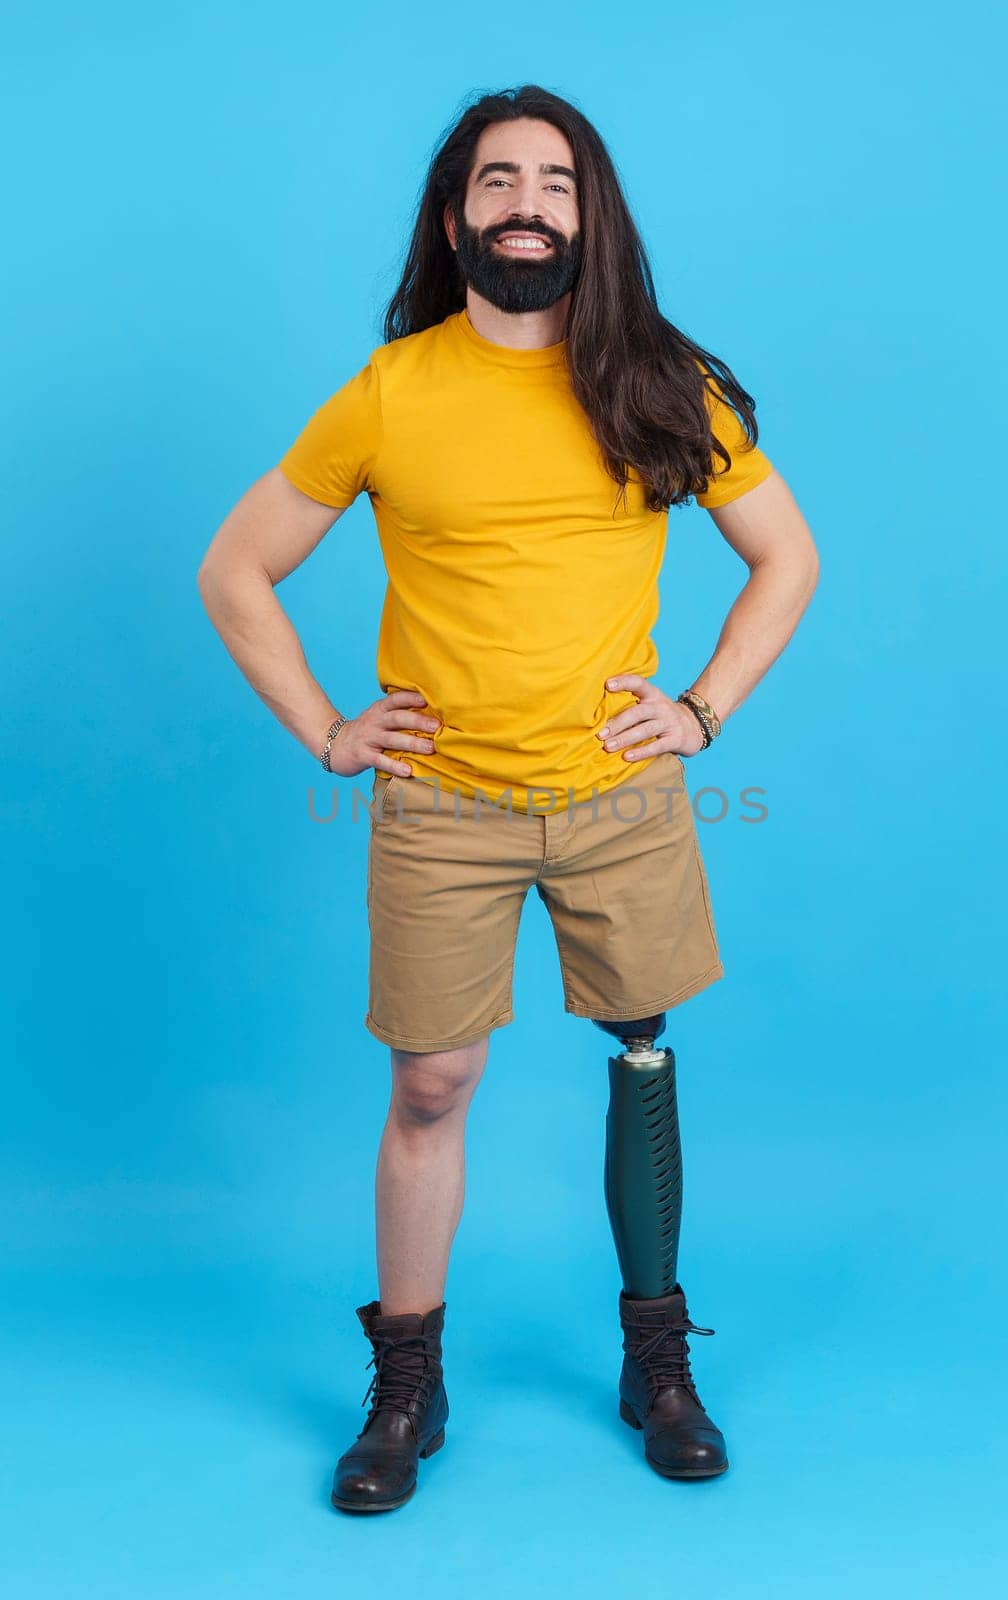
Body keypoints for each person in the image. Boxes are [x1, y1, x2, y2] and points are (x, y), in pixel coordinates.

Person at [197, 83, 819, 1515]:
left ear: (589, 217)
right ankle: (406, 1385)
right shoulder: (391, 392)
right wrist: (329, 731)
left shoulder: (659, 382)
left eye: (556, 182)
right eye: (498, 181)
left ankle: (657, 1362)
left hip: (623, 797)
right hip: (443, 807)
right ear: (455, 215)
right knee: (430, 1082)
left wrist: (703, 710)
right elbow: (236, 569)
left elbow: (787, 559)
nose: (527, 203)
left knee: (643, 1054)